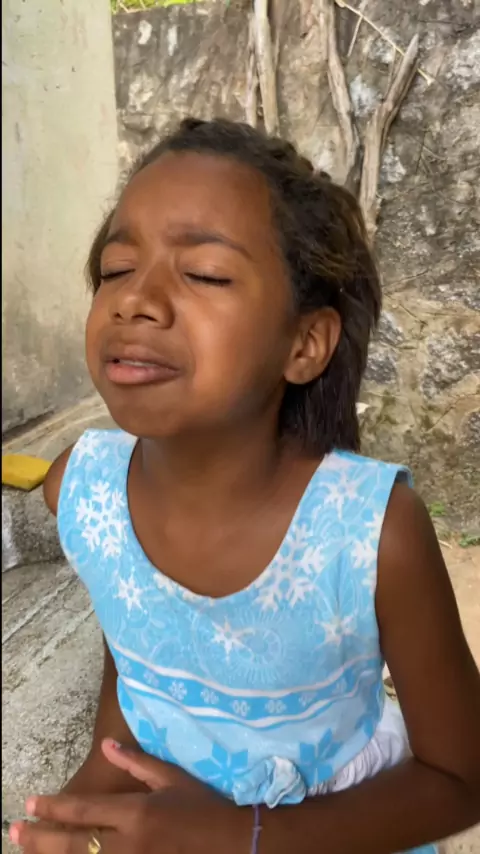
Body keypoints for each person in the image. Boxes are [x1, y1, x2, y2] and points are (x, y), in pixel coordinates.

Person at [11, 118, 480, 854]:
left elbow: (461, 779)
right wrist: (75, 818)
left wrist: (246, 835)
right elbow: (134, 690)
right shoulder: (83, 494)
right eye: (116, 268)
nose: (136, 300)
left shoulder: (371, 534)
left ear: (304, 343)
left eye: (204, 274)